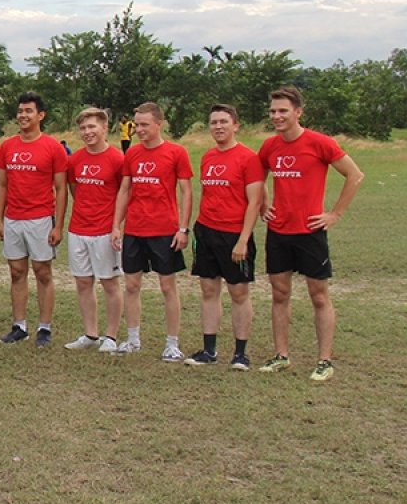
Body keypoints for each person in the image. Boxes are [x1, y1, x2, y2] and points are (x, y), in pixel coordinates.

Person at [257, 86, 363, 382]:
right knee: (279, 294)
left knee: (319, 296)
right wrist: (264, 205)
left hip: (310, 232)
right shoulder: (269, 147)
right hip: (279, 232)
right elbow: (256, 178)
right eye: (273, 111)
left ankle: (324, 360)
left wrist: (335, 214)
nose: (277, 116)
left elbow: (355, 175)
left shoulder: (320, 143)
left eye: (283, 111)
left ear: (298, 112)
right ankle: (281, 355)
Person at [110, 102, 193, 361]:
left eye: (145, 124)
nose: (139, 129)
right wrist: (116, 225)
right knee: (132, 284)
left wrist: (183, 229)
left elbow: (186, 192)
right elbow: (125, 190)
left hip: (164, 229)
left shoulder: (176, 152)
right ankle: (133, 339)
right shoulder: (132, 154)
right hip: (135, 229)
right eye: (137, 124)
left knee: (167, 287)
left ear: (159, 124)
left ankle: (172, 343)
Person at [185, 104, 264, 370]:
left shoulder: (248, 158)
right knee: (208, 290)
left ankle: (240, 354)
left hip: (234, 234)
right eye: (213, 122)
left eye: (223, 122)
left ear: (235, 125)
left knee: (238, 291)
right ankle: (209, 351)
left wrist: (243, 239)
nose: (218, 127)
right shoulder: (207, 156)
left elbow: (255, 202)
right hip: (206, 231)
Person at [0, 92, 68, 347]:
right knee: (16, 272)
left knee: (42, 272)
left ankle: (45, 328)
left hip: (40, 219)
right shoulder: (8, 146)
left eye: (28, 111)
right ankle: (19, 325)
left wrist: (58, 225)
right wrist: (0, 220)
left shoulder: (53, 147)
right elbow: (2, 184)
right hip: (13, 218)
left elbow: (61, 189)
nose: (23, 116)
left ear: (41, 115)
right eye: (20, 111)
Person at [62, 108, 126, 353]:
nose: (87, 132)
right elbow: (74, 189)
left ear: (104, 128)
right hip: (78, 229)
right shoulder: (75, 159)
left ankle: (110, 336)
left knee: (109, 283)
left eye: (92, 127)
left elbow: (124, 194)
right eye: (83, 128)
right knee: (83, 282)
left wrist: (116, 226)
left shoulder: (117, 158)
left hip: (105, 231)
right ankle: (90, 333)